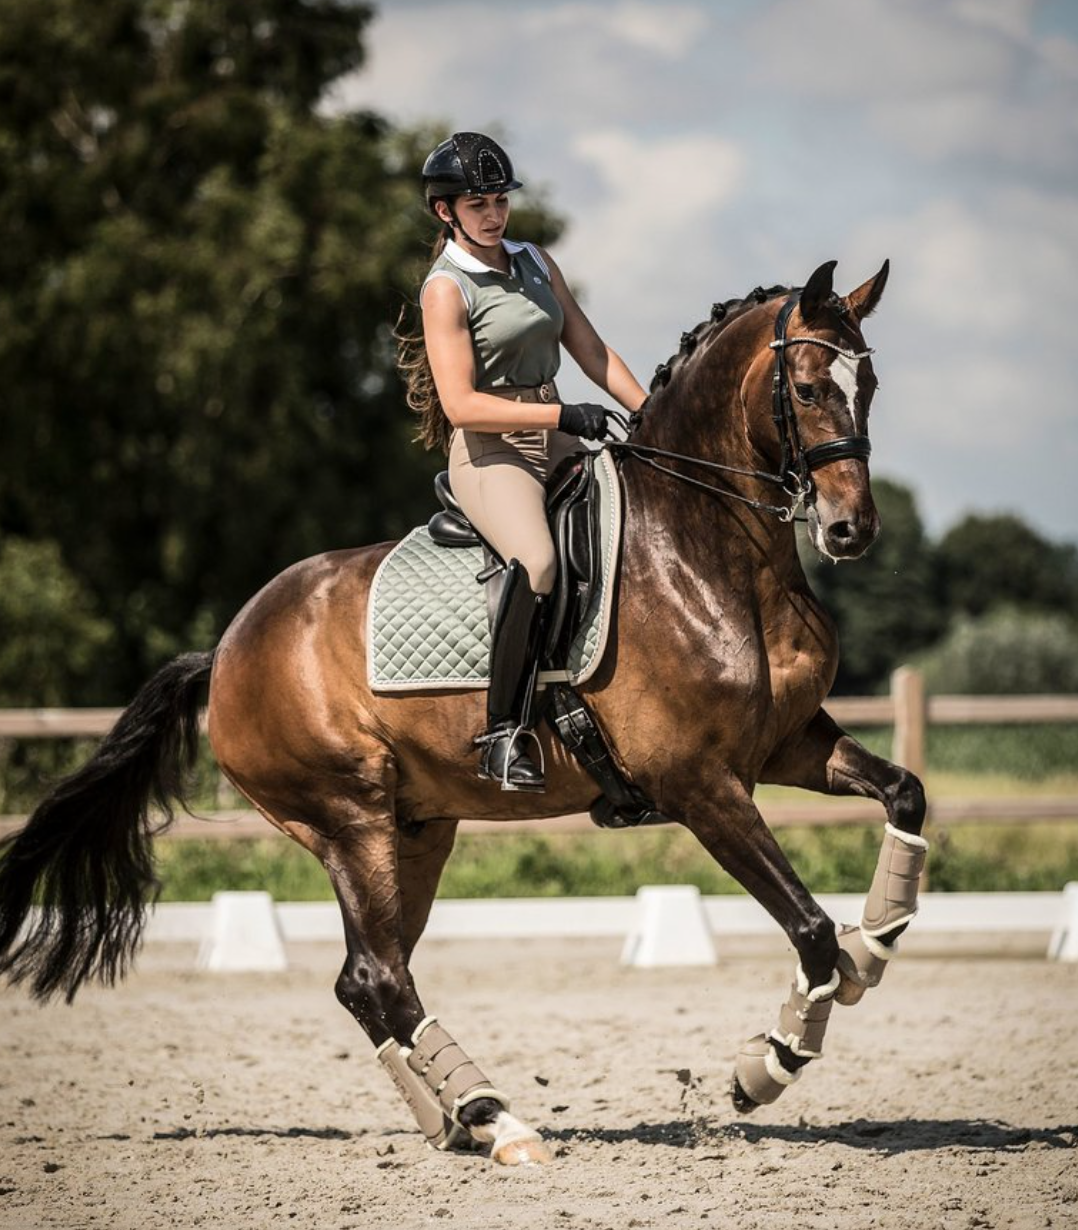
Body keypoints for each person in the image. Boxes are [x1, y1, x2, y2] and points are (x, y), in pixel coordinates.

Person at [398, 132, 647, 792]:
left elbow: (592, 354)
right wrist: (562, 416)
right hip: (489, 451)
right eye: (477, 203)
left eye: (500, 199)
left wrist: (651, 415)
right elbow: (462, 404)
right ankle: (502, 734)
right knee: (536, 561)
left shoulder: (536, 261)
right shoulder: (445, 289)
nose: (493, 213)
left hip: (555, 430)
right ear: (445, 211)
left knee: (645, 515)